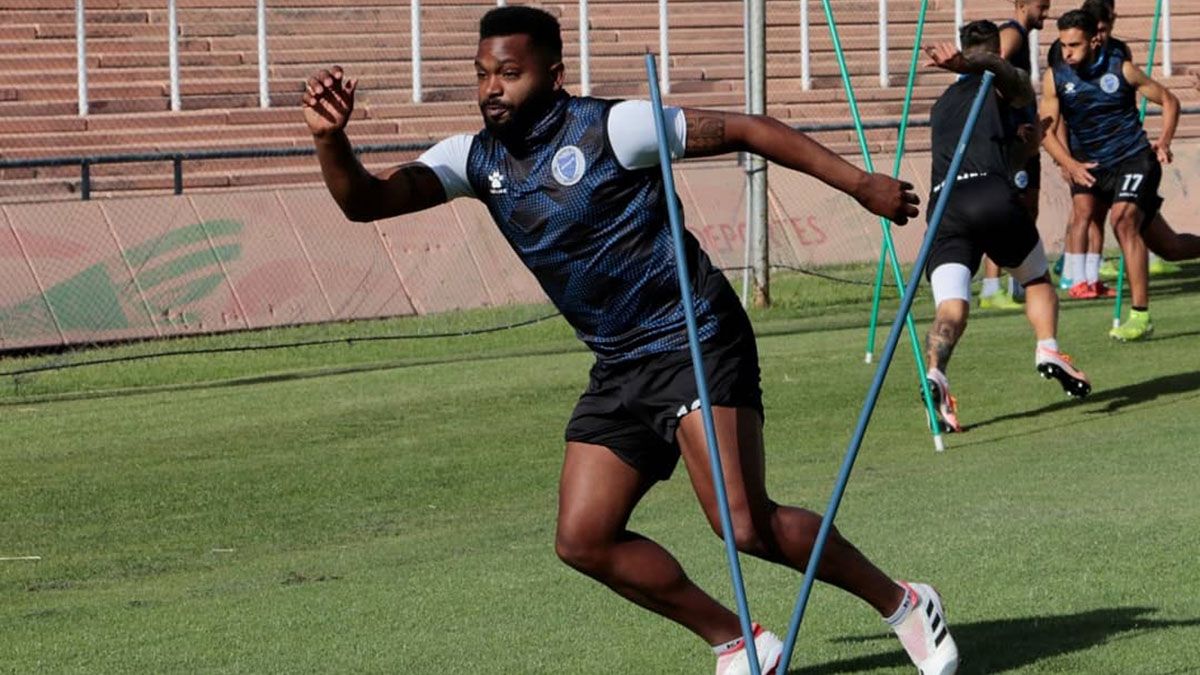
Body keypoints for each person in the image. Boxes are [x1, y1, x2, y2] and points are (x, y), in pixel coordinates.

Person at [302, 6, 958, 675]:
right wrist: (331, 140)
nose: (491, 88)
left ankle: (904, 603)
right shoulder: (472, 159)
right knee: (583, 537)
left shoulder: (612, 128)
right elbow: (365, 202)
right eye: (481, 74)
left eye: (509, 73)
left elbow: (748, 128)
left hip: (695, 335)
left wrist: (859, 185)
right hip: (619, 362)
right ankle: (740, 642)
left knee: (743, 524)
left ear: (554, 74)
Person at [920, 23, 1091, 434]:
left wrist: (1026, 146)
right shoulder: (999, 83)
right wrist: (974, 64)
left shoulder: (941, 106)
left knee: (951, 307)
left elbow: (1000, 156)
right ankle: (1047, 347)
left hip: (944, 207)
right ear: (997, 52)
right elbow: (1009, 78)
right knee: (1035, 279)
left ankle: (936, 372)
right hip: (989, 195)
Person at [1041, 9, 1200, 340]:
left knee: (1122, 220)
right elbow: (1046, 130)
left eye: (1074, 45)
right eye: (1063, 45)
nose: (1066, 52)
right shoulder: (1056, 77)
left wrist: (1164, 141)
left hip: (1134, 159)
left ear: (1094, 41)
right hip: (1094, 169)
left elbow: (1169, 100)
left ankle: (1140, 316)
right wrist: (1068, 163)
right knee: (1170, 248)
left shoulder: (1121, 68)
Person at [978, 0, 1052, 311]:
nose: (1046, 12)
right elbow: (992, 73)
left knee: (1028, 209)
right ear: (1022, 4)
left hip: (1025, 140)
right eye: (1041, 6)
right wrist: (1008, 126)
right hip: (1012, 142)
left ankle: (1018, 283)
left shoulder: (1023, 37)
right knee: (1008, 211)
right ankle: (991, 287)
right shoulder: (1013, 34)